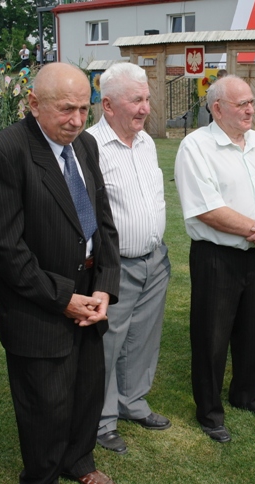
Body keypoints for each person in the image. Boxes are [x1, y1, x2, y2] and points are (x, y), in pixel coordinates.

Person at [0, 62, 121, 484]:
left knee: (86, 390)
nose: (76, 120)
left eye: (83, 109)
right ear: (34, 104)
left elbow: (102, 221)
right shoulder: (3, 153)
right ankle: (41, 483)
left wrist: (105, 288)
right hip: (37, 303)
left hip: (88, 294)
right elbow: (4, 249)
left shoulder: (86, 145)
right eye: (65, 109)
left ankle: (78, 460)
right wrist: (62, 298)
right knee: (45, 401)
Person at [175, 75, 255, 443]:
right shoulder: (196, 147)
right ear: (217, 108)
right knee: (211, 336)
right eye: (242, 104)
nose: (250, 110)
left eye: (251, 103)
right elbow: (206, 208)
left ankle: (249, 396)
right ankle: (210, 413)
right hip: (217, 257)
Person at [86, 63, 172, 455]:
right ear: (108, 105)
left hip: (155, 258)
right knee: (108, 343)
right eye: (136, 100)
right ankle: (102, 420)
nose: (145, 108)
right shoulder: (89, 147)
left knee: (143, 338)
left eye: (147, 99)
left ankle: (132, 401)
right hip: (115, 265)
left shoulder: (147, 142)